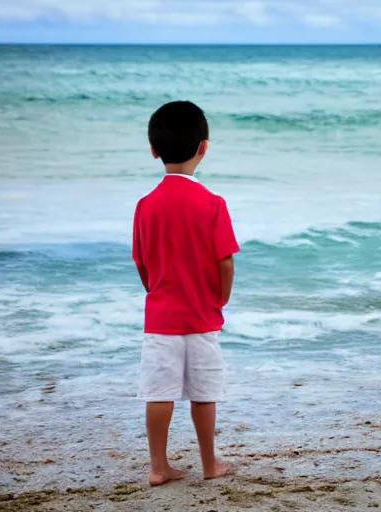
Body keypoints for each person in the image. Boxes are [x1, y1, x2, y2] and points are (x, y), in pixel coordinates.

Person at [132, 101, 240, 486]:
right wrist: (221, 297)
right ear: (204, 147)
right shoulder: (213, 204)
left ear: (153, 150)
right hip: (201, 315)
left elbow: (142, 263)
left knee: (159, 391)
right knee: (203, 392)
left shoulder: (145, 206)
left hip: (161, 317)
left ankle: (159, 467)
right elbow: (225, 261)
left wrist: (156, 290)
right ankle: (210, 464)